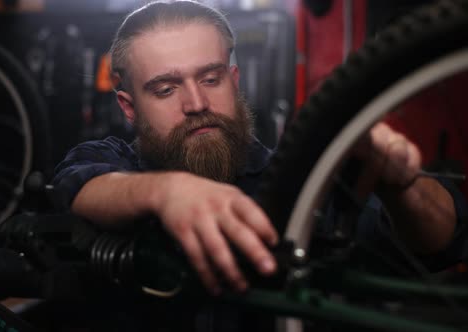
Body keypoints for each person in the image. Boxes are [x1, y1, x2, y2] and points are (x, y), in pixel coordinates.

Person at [52, 0, 463, 295]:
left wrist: (401, 185)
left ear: (234, 80)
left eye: (211, 79)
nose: (196, 104)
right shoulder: (110, 161)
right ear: (129, 107)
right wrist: (165, 192)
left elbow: (440, 240)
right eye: (165, 89)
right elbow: (78, 187)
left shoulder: (301, 182)